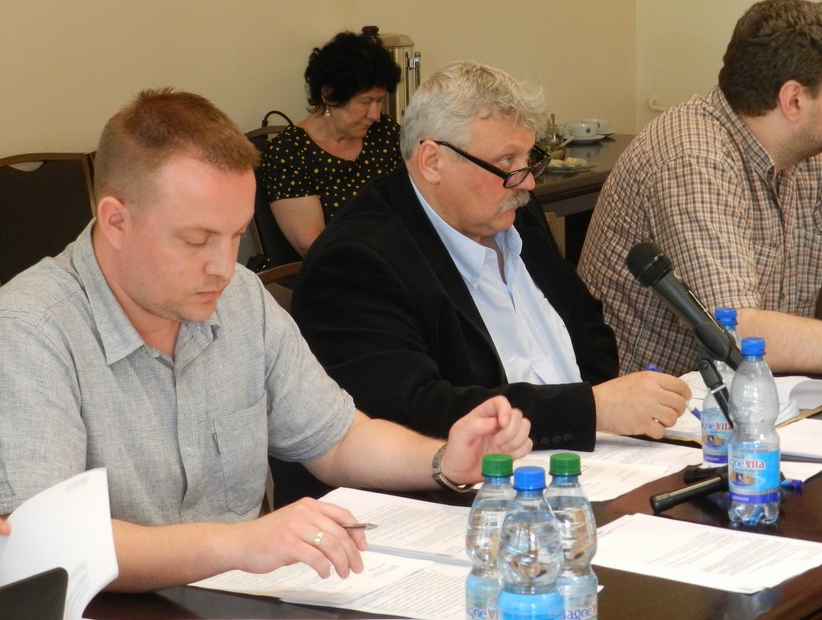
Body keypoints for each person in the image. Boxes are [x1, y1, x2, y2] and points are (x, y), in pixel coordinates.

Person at [0, 89, 531, 593]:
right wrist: (239, 544)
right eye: (196, 239)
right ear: (116, 221)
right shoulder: (29, 330)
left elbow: (337, 439)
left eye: (236, 235)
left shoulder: (239, 298)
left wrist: (442, 461)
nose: (223, 266)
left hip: (235, 597)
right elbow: (52, 544)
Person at [290, 61, 690, 469]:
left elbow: (587, 325)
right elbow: (413, 411)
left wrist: (599, 418)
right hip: (462, 484)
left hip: (589, 461)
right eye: (506, 160)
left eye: (529, 157)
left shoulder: (513, 210)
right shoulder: (356, 261)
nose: (527, 181)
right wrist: (589, 409)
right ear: (432, 161)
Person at [578, 0, 822, 382]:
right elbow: (737, 335)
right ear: (793, 99)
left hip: (756, 395)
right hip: (660, 407)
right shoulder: (692, 156)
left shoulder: (814, 154)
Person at [261, 30, 403, 256]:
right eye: (366, 101)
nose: (375, 114)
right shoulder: (289, 153)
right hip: (342, 267)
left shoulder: (385, 134)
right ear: (328, 95)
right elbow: (313, 245)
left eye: (379, 101)